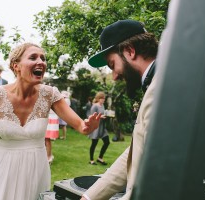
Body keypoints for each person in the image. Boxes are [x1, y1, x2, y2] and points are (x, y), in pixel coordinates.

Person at [0, 43, 101, 200]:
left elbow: (81, 126)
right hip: (0, 168)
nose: (41, 62)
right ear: (16, 66)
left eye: (43, 58)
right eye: (33, 57)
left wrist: (88, 127)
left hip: (35, 169)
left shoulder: (51, 94)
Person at [81, 19, 158, 200]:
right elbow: (136, 151)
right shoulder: (155, 83)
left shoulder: (164, 89)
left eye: (112, 65)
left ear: (130, 51)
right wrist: (90, 197)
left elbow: (160, 174)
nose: (114, 77)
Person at [88, 92, 110, 165]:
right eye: (102, 98)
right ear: (98, 98)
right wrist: (100, 117)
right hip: (96, 127)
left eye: (104, 98)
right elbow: (92, 116)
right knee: (94, 143)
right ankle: (91, 160)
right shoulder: (95, 106)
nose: (103, 100)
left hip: (102, 127)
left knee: (107, 142)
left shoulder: (102, 105)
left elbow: (102, 113)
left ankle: (100, 158)